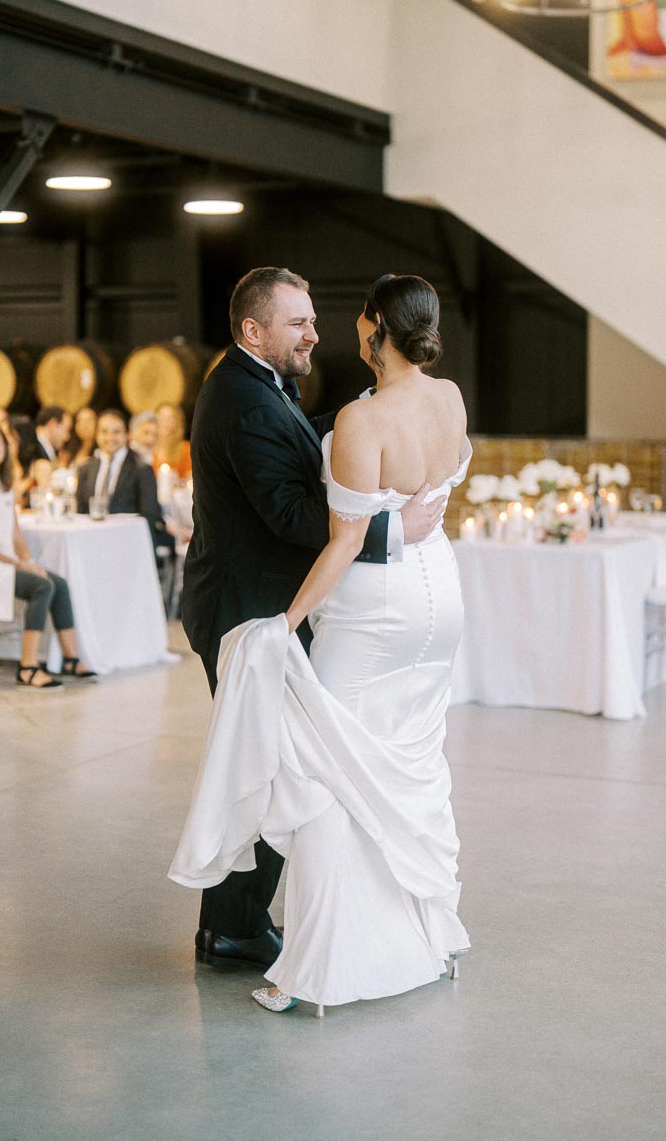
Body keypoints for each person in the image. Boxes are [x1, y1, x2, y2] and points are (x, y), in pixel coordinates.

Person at [172, 274, 472, 1015]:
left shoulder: (333, 408)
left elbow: (324, 522)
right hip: (279, 601)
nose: (315, 333)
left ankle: (263, 933)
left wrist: (299, 611)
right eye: (299, 322)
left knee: (304, 766)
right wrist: (395, 529)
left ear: (375, 330)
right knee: (303, 763)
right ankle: (251, 930)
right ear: (254, 332)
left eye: (321, 319)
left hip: (352, 604)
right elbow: (284, 512)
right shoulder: (248, 399)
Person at [0, 424, 96, 688]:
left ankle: (70, 658)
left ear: (5, 449)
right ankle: (28, 665)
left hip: (7, 562)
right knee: (41, 586)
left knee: (58, 582)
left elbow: (14, 534)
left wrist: (29, 562)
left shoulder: (4, 484)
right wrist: (19, 565)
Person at [75, 409, 169, 556]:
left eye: (116, 432)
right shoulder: (86, 468)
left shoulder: (141, 469)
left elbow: (150, 516)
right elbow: (79, 512)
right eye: (104, 432)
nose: (110, 437)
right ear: (97, 434)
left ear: (127, 434)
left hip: (127, 547)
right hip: (91, 546)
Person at [19, 406, 70, 489]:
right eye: (66, 430)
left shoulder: (47, 450)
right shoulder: (31, 449)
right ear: (53, 424)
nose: (67, 437)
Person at [153, 403, 192, 479]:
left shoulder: (186, 449)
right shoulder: (148, 448)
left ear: (177, 422)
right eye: (161, 417)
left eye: (170, 418)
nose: (165, 422)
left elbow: (190, 479)